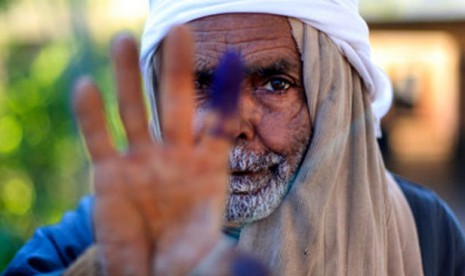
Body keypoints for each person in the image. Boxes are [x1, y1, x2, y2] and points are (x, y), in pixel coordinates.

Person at [4, 0, 465, 275]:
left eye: (275, 84)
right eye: (198, 85)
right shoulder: (103, 234)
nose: (233, 125)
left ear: (332, 97)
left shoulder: (426, 232)